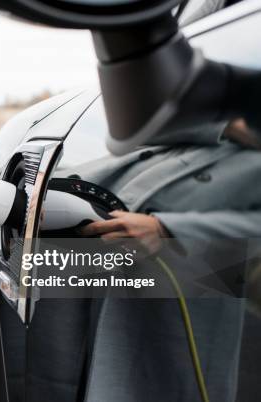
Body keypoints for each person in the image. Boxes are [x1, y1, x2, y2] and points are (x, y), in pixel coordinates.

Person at [32, 119, 261, 402]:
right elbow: (133, 128)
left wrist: (168, 229)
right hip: (104, 256)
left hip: (192, 281)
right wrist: (227, 126)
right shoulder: (212, 112)